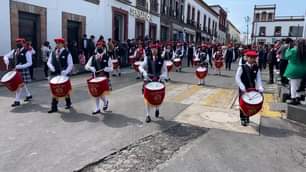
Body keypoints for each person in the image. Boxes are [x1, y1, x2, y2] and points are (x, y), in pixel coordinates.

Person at [139, 44, 168, 123]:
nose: (154, 50)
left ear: (158, 50)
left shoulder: (161, 60)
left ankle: (157, 109)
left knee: (158, 97)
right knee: (146, 98)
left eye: (155, 49)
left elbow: (165, 71)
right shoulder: (147, 58)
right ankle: (148, 115)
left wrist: (162, 76)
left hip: (158, 80)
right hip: (149, 80)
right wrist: (143, 72)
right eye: (152, 49)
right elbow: (140, 67)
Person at [235, 50, 264, 126]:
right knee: (243, 103)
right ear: (247, 58)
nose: (252, 59)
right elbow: (237, 78)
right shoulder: (242, 67)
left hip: (252, 88)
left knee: (250, 103)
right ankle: (242, 118)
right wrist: (242, 86)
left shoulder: (256, 68)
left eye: (254, 58)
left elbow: (258, 79)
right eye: (251, 57)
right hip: (243, 88)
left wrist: (260, 87)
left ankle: (247, 117)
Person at [3, 38, 33, 107]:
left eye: (20, 42)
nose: (18, 44)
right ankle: (28, 95)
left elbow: (30, 63)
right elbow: (6, 56)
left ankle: (17, 100)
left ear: (24, 43)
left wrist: (20, 66)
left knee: (19, 85)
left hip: (23, 70)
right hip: (15, 70)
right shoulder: (14, 51)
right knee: (22, 84)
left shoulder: (27, 51)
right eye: (17, 42)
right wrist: (6, 60)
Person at [85, 40, 113, 114]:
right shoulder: (93, 57)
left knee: (101, 93)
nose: (99, 47)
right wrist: (90, 68)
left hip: (104, 78)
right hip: (95, 78)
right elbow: (86, 66)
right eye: (97, 46)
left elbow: (111, 68)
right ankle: (98, 108)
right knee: (96, 93)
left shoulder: (107, 57)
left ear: (103, 47)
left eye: (100, 46)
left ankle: (105, 102)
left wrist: (107, 69)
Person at [47, 38, 74, 113]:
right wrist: (51, 67)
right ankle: (54, 106)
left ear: (62, 44)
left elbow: (70, 64)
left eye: (59, 43)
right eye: (57, 43)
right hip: (54, 74)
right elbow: (48, 62)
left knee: (65, 89)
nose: (57, 45)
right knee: (54, 90)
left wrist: (66, 71)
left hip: (63, 75)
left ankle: (68, 102)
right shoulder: (53, 52)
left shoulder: (67, 52)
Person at [284, 39, 306, 105]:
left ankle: (293, 99)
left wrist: (288, 48)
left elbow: (286, 56)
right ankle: (298, 97)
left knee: (293, 85)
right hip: (303, 70)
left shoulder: (294, 50)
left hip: (293, 70)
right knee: (299, 85)